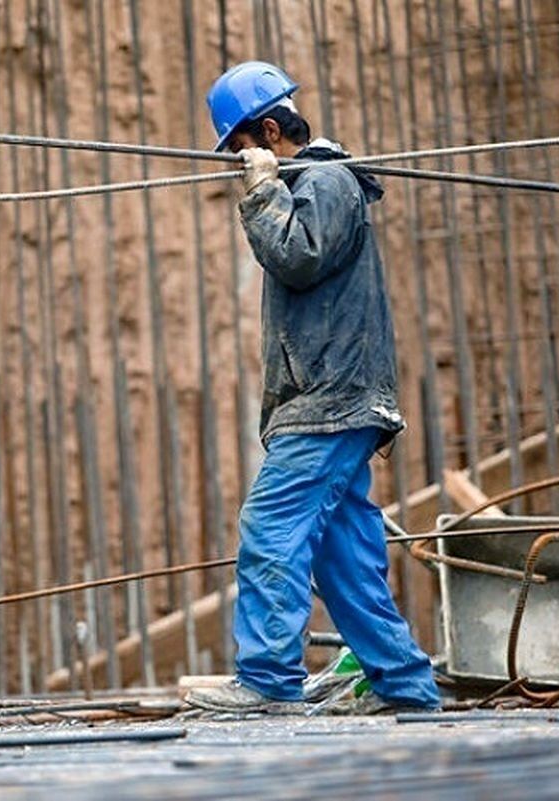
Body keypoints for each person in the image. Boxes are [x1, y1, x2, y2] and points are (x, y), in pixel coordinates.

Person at [187, 61, 440, 715]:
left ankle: (268, 678)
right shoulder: (315, 182)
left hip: (329, 401)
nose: (236, 165)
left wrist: (264, 193)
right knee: (344, 553)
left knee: (271, 525)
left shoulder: (326, 180)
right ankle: (405, 683)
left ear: (269, 131)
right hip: (334, 398)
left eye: (241, 149)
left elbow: (296, 259)